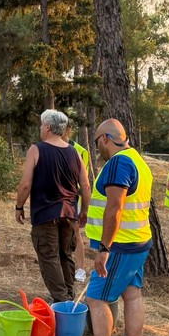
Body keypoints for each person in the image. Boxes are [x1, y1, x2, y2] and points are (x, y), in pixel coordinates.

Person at [69, 119, 153, 336]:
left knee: (96, 299)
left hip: (119, 245)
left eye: (97, 142)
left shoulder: (119, 163)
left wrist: (104, 248)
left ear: (105, 138)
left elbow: (115, 208)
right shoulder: (137, 160)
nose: (97, 148)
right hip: (137, 241)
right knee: (132, 295)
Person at [15, 109, 90, 303]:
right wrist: (84, 211)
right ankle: (69, 295)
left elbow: (25, 184)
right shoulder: (74, 152)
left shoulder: (36, 149)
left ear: (47, 127)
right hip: (70, 212)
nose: (40, 128)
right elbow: (86, 185)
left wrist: (19, 206)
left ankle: (62, 301)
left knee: (49, 256)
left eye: (41, 125)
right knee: (65, 254)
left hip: (45, 213)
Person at [64, 119, 92, 281]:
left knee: (75, 231)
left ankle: (80, 268)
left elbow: (84, 181)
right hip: (55, 199)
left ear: (68, 129)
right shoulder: (47, 146)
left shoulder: (80, 151)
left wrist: (84, 207)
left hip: (74, 197)